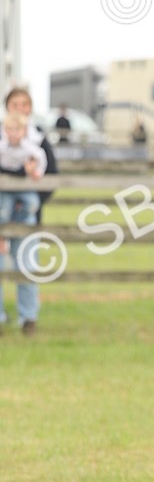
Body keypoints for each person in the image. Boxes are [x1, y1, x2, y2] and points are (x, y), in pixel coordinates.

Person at [0, 112, 46, 334]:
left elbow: (43, 162)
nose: (13, 133)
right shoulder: (2, 148)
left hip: (24, 212)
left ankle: (28, 318)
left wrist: (35, 172)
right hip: (4, 204)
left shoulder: (33, 146)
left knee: (27, 266)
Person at [4, 88, 58, 226]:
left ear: (30, 108)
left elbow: (51, 172)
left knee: (27, 242)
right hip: (2, 203)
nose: (20, 109)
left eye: (24, 104)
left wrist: (33, 199)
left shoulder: (39, 138)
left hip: (29, 207)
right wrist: (22, 171)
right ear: (7, 106)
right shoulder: (2, 139)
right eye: (15, 104)